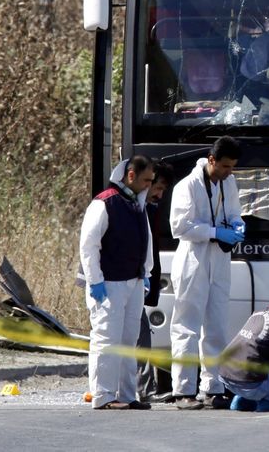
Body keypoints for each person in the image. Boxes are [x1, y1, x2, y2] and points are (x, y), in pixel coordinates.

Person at [169, 137, 245, 409]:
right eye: (225, 166)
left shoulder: (229, 182)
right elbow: (179, 228)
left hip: (220, 261)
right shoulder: (187, 186)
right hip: (194, 260)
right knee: (187, 326)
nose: (229, 171)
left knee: (216, 326)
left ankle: (213, 387)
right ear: (211, 160)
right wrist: (214, 232)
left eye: (232, 167)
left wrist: (237, 226)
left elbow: (235, 213)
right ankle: (183, 390)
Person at [79, 156, 155, 410]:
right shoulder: (105, 203)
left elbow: (146, 241)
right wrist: (95, 281)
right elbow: (89, 245)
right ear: (131, 176)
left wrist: (145, 272)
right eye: (146, 180)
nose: (149, 185)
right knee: (106, 339)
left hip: (133, 281)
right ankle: (102, 395)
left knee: (128, 339)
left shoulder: (136, 204)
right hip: (109, 284)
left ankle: (126, 394)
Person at [137, 161, 175, 402]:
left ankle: (142, 388)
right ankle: (143, 389)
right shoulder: (125, 206)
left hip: (136, 280)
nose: (159, 195)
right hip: (122, 280)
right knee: (138, 335)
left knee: (141, 335)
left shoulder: (147, 208)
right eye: (156, 187)